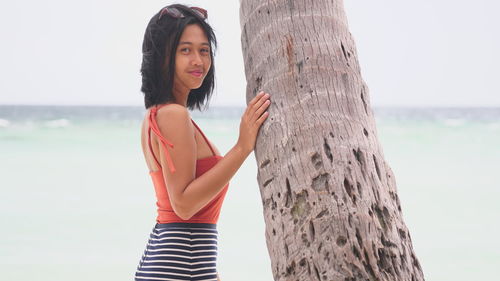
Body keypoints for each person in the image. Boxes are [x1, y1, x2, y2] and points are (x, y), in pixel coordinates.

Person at [134, 4, 270, 281]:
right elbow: (183, 204)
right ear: (163, 56)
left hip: (173, 264)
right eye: (185, 50)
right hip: (176, 269)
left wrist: (210, 273)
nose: (198, 60)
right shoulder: (173, 115)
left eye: (204, 50)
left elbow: (181, 218)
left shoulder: (157, 114)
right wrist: (243, 146)